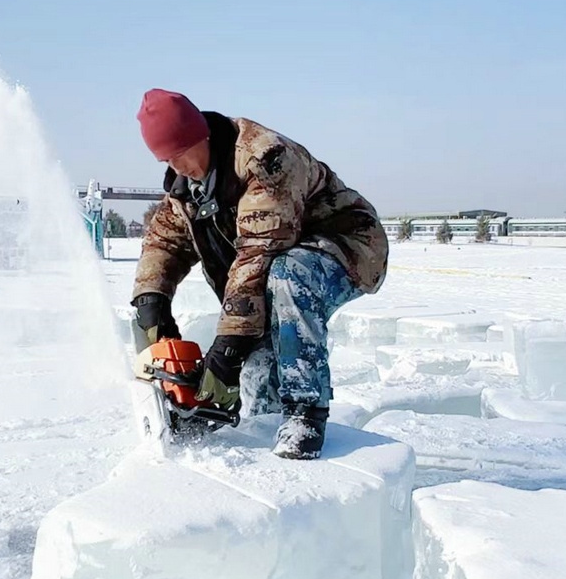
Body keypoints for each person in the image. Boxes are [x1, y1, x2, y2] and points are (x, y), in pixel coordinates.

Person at [130, 88, 388, 460]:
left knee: (286, 277)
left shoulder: (264, 158)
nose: (178, 167)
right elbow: (164, 242)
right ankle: (264, 422)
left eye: (182, 153)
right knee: (256, 350)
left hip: (347, 245)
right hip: (268, 264)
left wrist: (226, 350)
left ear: (201, 136)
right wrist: (151, 300)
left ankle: (304, 413)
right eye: (167, 159)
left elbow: (259, 253)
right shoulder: (187, 190)